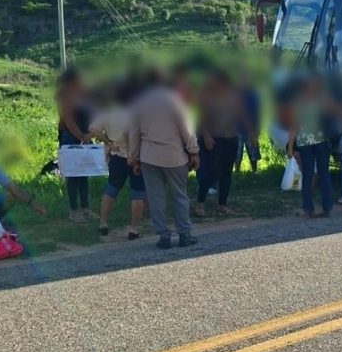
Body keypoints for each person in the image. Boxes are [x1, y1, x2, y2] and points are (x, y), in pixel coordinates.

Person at [128, 69, 200, 249]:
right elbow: (187, 129)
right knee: (179, 196)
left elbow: (134, 133)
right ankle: (184, 234)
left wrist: (134, 158)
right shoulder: (175, 100)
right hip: (174, 156)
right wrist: (193, 151)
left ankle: (164, 237)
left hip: (149, 157)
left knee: (156, 198)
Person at [90, 82, 145, 240]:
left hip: (116, 153)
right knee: (138, 193)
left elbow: (93, 128)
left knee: (112, 188)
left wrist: (107, 141)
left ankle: (103, 222)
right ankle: (134, 228)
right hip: (135, 156)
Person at [194, 71, 245, 217]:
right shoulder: (207, 96)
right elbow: (201, 119)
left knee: (226, 173)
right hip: (213, 139)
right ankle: (200, 203)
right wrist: (206, 136)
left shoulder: (234, 96)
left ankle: (222, 204)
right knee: (208, 172)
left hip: (230, 138)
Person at [287, 76, 332, 218]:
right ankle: (327, 206)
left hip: (305, 143)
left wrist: (290, 147)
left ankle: (308, 207)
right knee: (324, 174)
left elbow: (294, 126)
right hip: (321, 140)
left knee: (307, 175)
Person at [56, 67, 94, 223]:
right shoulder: (65, 97)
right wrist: (82, 137)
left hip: (84, 136)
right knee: (73, 176)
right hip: (70, 138)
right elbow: (69, 122)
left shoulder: (84, 95)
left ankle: (86, 209)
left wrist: (90, 135)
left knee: (83, 175)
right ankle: (74, 210)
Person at [235, 76, 261, 174]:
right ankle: (237, 173)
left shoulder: (253, 94)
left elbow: (258, 112)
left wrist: (258, 128)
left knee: (253, 152)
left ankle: (254, 172)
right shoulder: (235, 94)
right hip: (237, 129)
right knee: (237, 154)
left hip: (252, 129)